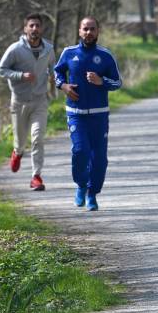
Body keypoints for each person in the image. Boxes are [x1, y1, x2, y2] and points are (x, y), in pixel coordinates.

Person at [54, 16, 122, 211]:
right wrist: (63, 85)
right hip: (76, 113)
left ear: (98, 31)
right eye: (85, 29)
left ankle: (92, 194)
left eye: (92, 29)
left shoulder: (106, 55)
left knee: (99, 158)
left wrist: (102, 82)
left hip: (99, 114)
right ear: (79, 31)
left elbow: (118, 82)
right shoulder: (68, 53)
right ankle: (81, 185)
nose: (89, 32)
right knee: (80, 150)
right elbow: (57, 72)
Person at [0, 13, 56, 191]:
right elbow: (1, 70)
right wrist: (21, 76)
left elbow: (53, 67)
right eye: (31, 26)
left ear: (42, 29)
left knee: (38, 138)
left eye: (37, 25)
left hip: (40, 100)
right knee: (21, 141)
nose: (34, 29)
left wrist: (55, 78)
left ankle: (36, 176)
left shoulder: (48, 49)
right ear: (25, 29)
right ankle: (18, 152)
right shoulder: (15, 49)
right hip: (20, 101)